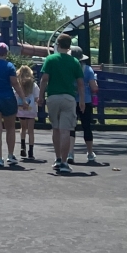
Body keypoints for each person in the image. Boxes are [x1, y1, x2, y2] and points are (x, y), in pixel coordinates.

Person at [37, 33, 85, 173]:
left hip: (53, 97)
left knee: (56, 129)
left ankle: (57, 158)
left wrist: (41, 96)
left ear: (58, 45)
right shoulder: (74, 62)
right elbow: (80, 84)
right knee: (66, 131)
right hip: (68, 97)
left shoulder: (50, 59)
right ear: (69, 46)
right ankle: (64, 162)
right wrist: (82, 100)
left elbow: (44, 79)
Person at [66, 47, 99, 165]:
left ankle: (70, 153)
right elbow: (94, 87)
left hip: (71, 100)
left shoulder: (68, 69)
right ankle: (90, 153)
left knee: (71, 127)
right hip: (86, 101)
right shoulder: (88, 70)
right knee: (87, 127)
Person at [16, 64, 39, 159]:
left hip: (21, 109)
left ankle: (23, 146)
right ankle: (31, 151)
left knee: (23, 128)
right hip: (31, 109)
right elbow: (37, 97)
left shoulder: (18, 84)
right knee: (31, 130)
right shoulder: (33, 85)